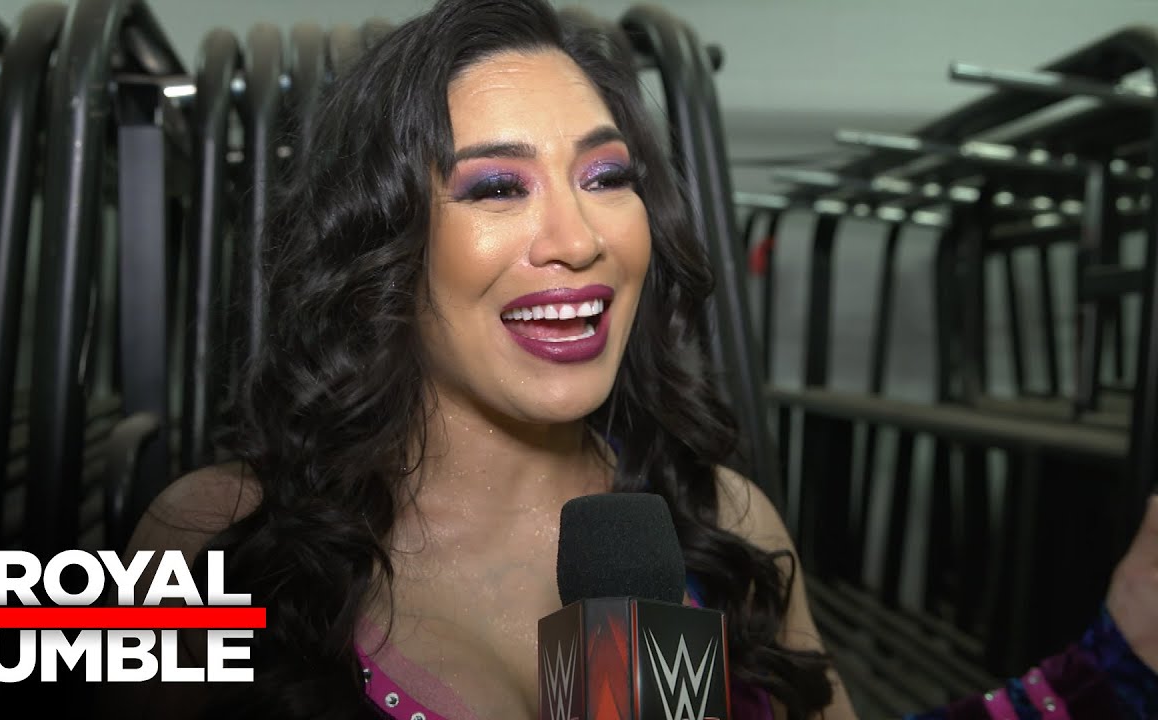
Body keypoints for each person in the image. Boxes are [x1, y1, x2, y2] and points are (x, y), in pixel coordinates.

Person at [112, 0, 1158, 718]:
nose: (578, 238)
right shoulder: (217, 542)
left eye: (605, 177)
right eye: (495, 187)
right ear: (382, 245)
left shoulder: (721, 521)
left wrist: (1109, 664)